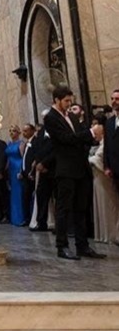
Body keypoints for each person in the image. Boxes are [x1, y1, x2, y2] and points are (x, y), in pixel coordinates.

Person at [43, 86, 105, 260]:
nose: (69, 104)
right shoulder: (51, 118)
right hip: (65, 169)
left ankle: (82, 245)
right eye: (66, 101)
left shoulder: (71, 116)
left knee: (81, 208)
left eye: (70, 101)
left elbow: (79, 137)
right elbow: (64, 139)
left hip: (80, 167)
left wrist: (89, 138)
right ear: (56, 100)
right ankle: (62, 246)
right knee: (64, 208)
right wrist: (91, 132)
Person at [5, 125, 25, 226]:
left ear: (18, 133)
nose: (12, 133)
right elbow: (8, 158)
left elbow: (23, 157)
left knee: (18, 192)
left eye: (14, 131)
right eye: (10, 131)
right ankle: (14, 217)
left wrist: (22, 171)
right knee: (12, 192)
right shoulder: (9, 143)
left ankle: (21, 217)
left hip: (18, 167)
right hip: (11, 169)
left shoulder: (21, 144)